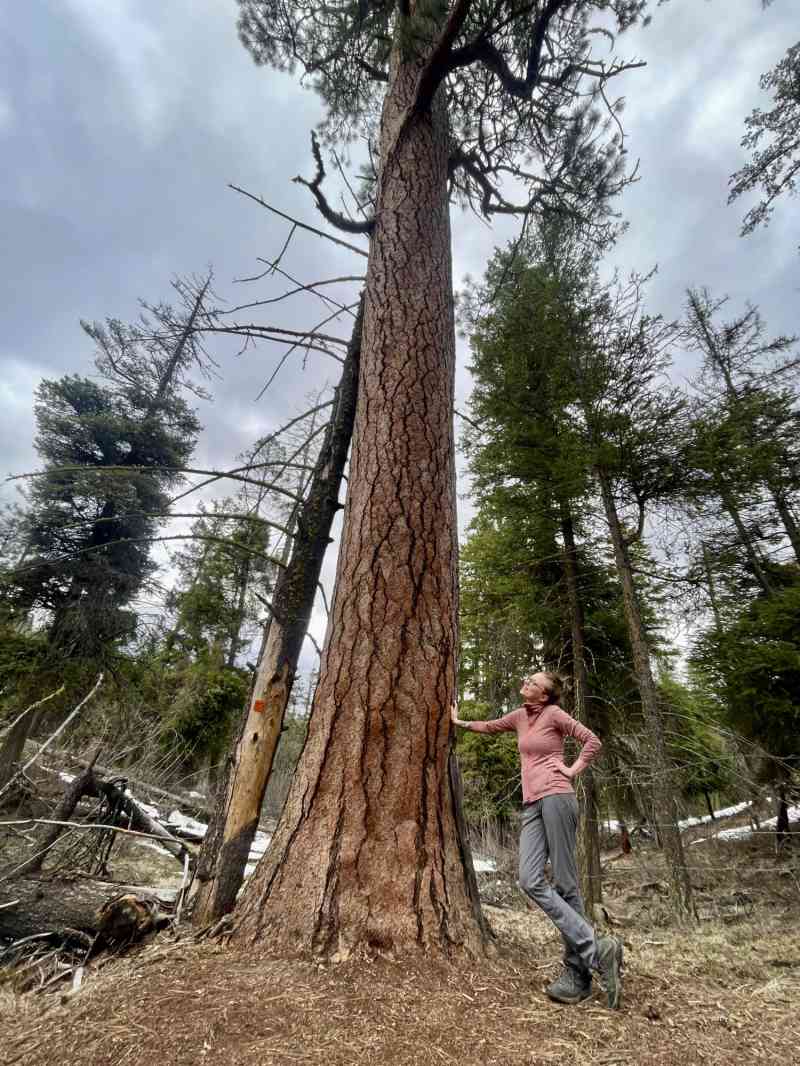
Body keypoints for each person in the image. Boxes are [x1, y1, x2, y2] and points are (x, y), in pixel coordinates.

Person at [451, 670, 623, 1008]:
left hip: (557, 797)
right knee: (529, 879)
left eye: (534, 682)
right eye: (528, 679)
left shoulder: (554, 714)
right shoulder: (519, 716)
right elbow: (490, 726)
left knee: (566, 886)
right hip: (531, 805)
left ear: (544, 696)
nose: (527, 683)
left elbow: (592, 741)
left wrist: (572, 770)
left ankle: (579, 975)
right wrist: (458, 722)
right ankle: (596, 948)